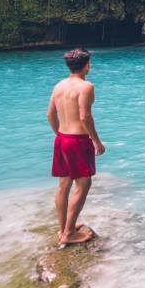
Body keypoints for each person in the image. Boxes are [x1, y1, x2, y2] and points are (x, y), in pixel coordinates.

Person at [47, 47, 106, 245]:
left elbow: (49, 115)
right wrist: (96, 141)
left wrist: (59, 134)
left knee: (64, 184)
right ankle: (69, 233)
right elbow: (84, 116)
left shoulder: (59, 86)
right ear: (87, 65)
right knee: (83, 184)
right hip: (78, 140)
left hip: (62, 138)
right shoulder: (86, 86)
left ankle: (63, 228)